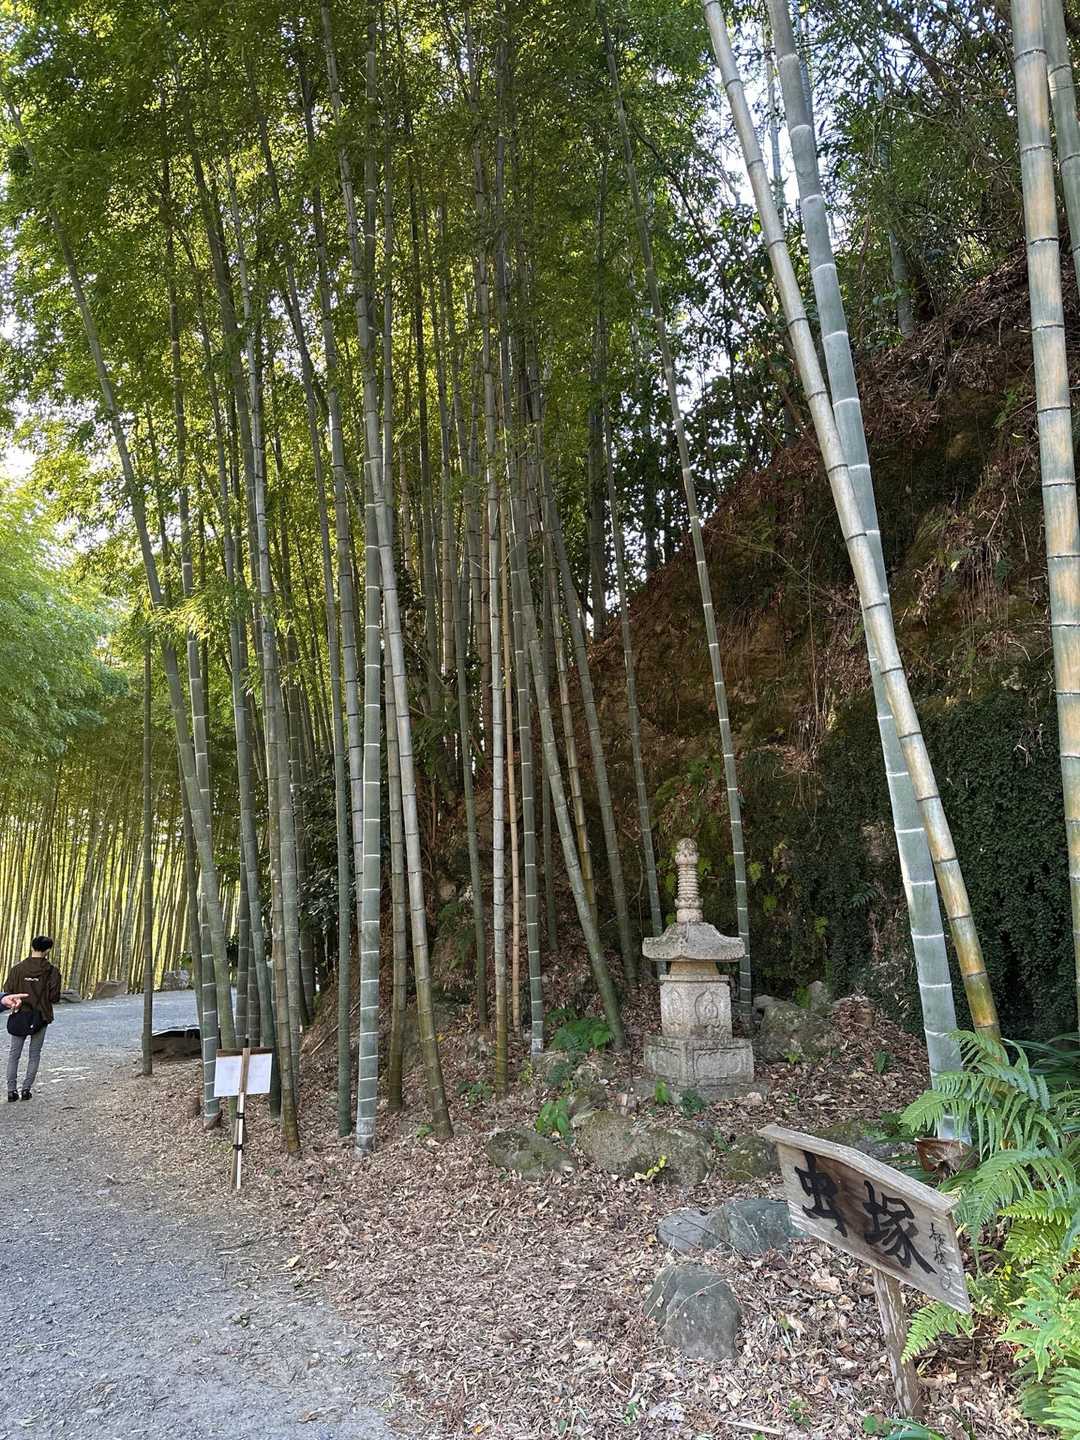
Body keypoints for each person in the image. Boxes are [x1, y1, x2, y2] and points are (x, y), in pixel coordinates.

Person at [5, 936, 61, 1102]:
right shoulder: (52, 971)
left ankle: (11, 1091)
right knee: (34, 1054)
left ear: (32, 947)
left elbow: (7, 990)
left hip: (19, 1014)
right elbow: (54, 997)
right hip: (40, 1016)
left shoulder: (17, 969)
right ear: (48, 950)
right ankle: (26, 1090)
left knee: (14, 1054)